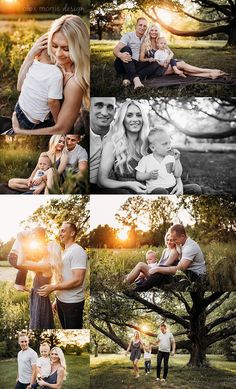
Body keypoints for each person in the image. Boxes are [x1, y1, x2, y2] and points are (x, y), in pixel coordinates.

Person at [12, 14, 90, 135]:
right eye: (54, 46)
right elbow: (19, 87)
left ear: (78, 48)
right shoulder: (50, 62)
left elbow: (61, 129)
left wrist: (19, 131)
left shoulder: (74, 83)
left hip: (43, 131)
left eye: (66, 49)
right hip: (24, 113)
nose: (57, 54)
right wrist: (30, 55)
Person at [37, 221, 87, 329]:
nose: (60, 234)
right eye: (60, 231)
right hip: (61, 301)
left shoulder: (77, 251)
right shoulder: (65, 252)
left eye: (63, 231)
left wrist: (53, 287)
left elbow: (78, 280)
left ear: (72, 233)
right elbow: (63, 277)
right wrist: (56, 300)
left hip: (72, 304)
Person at [98, 100, 149, 194]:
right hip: (126, 193)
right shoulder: (113, 144)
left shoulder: (149, 143)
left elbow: (168, 164)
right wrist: (129, 184)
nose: (135, 119)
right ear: (122, 119)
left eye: (139, 115)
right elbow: (102, 181)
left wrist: (178, 182)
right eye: (129, 115)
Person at [17, 232, 63, 329]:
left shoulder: (46, 266)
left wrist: (22, 243)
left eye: (47, 246)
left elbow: (20, 263)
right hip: (38, 300)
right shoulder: (44, 264)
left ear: (50, 251)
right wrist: (27, 289)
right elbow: (39, 289)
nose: (44, 246)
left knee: (38, 325)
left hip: (41, 303)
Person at [10, 48, 63, 133]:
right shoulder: (56, 74)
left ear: (37, 55)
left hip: (19, 107)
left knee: (16, 128)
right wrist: (57, 120)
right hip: (32, 120)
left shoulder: (33, 64)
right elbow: (52, 101)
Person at [135, 128, 202, 194]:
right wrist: (148, 175)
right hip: (156, 190)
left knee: (196, 188)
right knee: (161, 192)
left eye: (169, 143)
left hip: (173, 189)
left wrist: (177, 160)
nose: (169, 146)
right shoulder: (146, 160)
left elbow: (178, 175)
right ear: (153, 147)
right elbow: (138, 176)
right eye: (165, 144)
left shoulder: (171, 157)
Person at [114, 17, 162, 89]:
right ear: (136, 26)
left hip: (137, 64)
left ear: (146, 28)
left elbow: (159, 45)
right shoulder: (128, 36)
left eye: (144, 26)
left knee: (155, 62)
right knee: (126, 48)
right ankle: (136, 80)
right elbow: (115, 50)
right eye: (140, 25)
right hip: (123, 63)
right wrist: (120, 55)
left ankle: (127, 77)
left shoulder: (146, 38)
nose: (142, 27)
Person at [8, 227, 47, 292]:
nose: (36, 239)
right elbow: (19, 234)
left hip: (19, 256)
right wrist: (23, 245)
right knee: (23, 266)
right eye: (36, 237)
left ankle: (22, 285)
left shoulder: (33, 239)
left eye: (38, 239)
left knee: (25, 267)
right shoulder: (29, 231)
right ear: (34, 233)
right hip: (13, 256)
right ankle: (18, 284)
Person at [90, 97, 116, 192]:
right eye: (99, 106)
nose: (105, 113)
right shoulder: (79, 132)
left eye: (110, 107)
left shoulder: (119, 131)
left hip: (112, 184)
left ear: (115, 111)